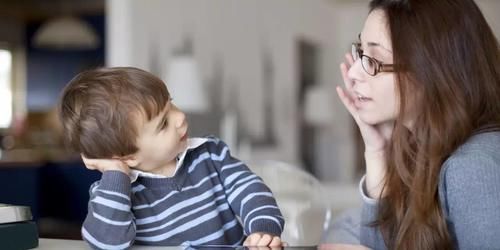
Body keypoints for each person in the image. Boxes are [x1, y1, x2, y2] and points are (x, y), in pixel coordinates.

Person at [334, 0, 500, 249]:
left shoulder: (472, 168)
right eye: (360, 52)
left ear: (431, 69)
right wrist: (377, 151)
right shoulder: (421, 148)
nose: (354, 73)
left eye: (374, 59)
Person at [58, 67, 285, 249]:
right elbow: (107, 242)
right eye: (163, 124)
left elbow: (250, 189)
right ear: (128, 157)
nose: (180, 117)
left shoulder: (210, 154)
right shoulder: (115, 194)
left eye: (171, 103)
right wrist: (116, 172)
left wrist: (262, 229)